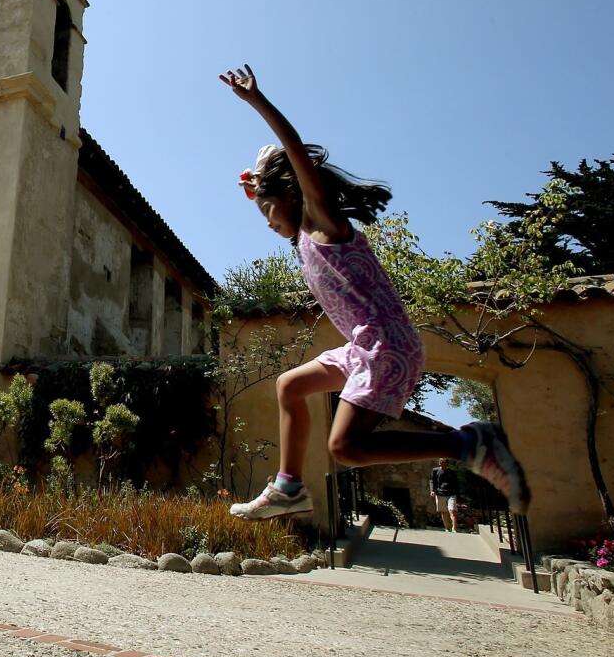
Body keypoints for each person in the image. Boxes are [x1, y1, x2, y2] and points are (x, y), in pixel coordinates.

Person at [220, 63, 530, 520]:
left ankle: (465, 442)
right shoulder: (305, 242)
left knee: (345, 447)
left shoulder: (324, 224)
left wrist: (258, 101)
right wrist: (256, 186)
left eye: (268, 209)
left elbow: (295, 154)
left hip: (386, 345)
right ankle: (289, 487)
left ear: (291, 194)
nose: (267, 221)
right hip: (363, 346)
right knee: (290, 385)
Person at [430, 457, 461, 531]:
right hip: (440, 493)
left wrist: (458, 495)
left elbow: (456, 484)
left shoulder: (452, 472)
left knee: (452, 511)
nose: (442, 465)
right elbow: (432, 480)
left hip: (451, 494)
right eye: (441, 464)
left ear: (447, 464)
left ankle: (454, 528)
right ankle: (447, 528)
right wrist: (432, 490)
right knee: (444, 512)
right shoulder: (435, 471)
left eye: (444, 464)